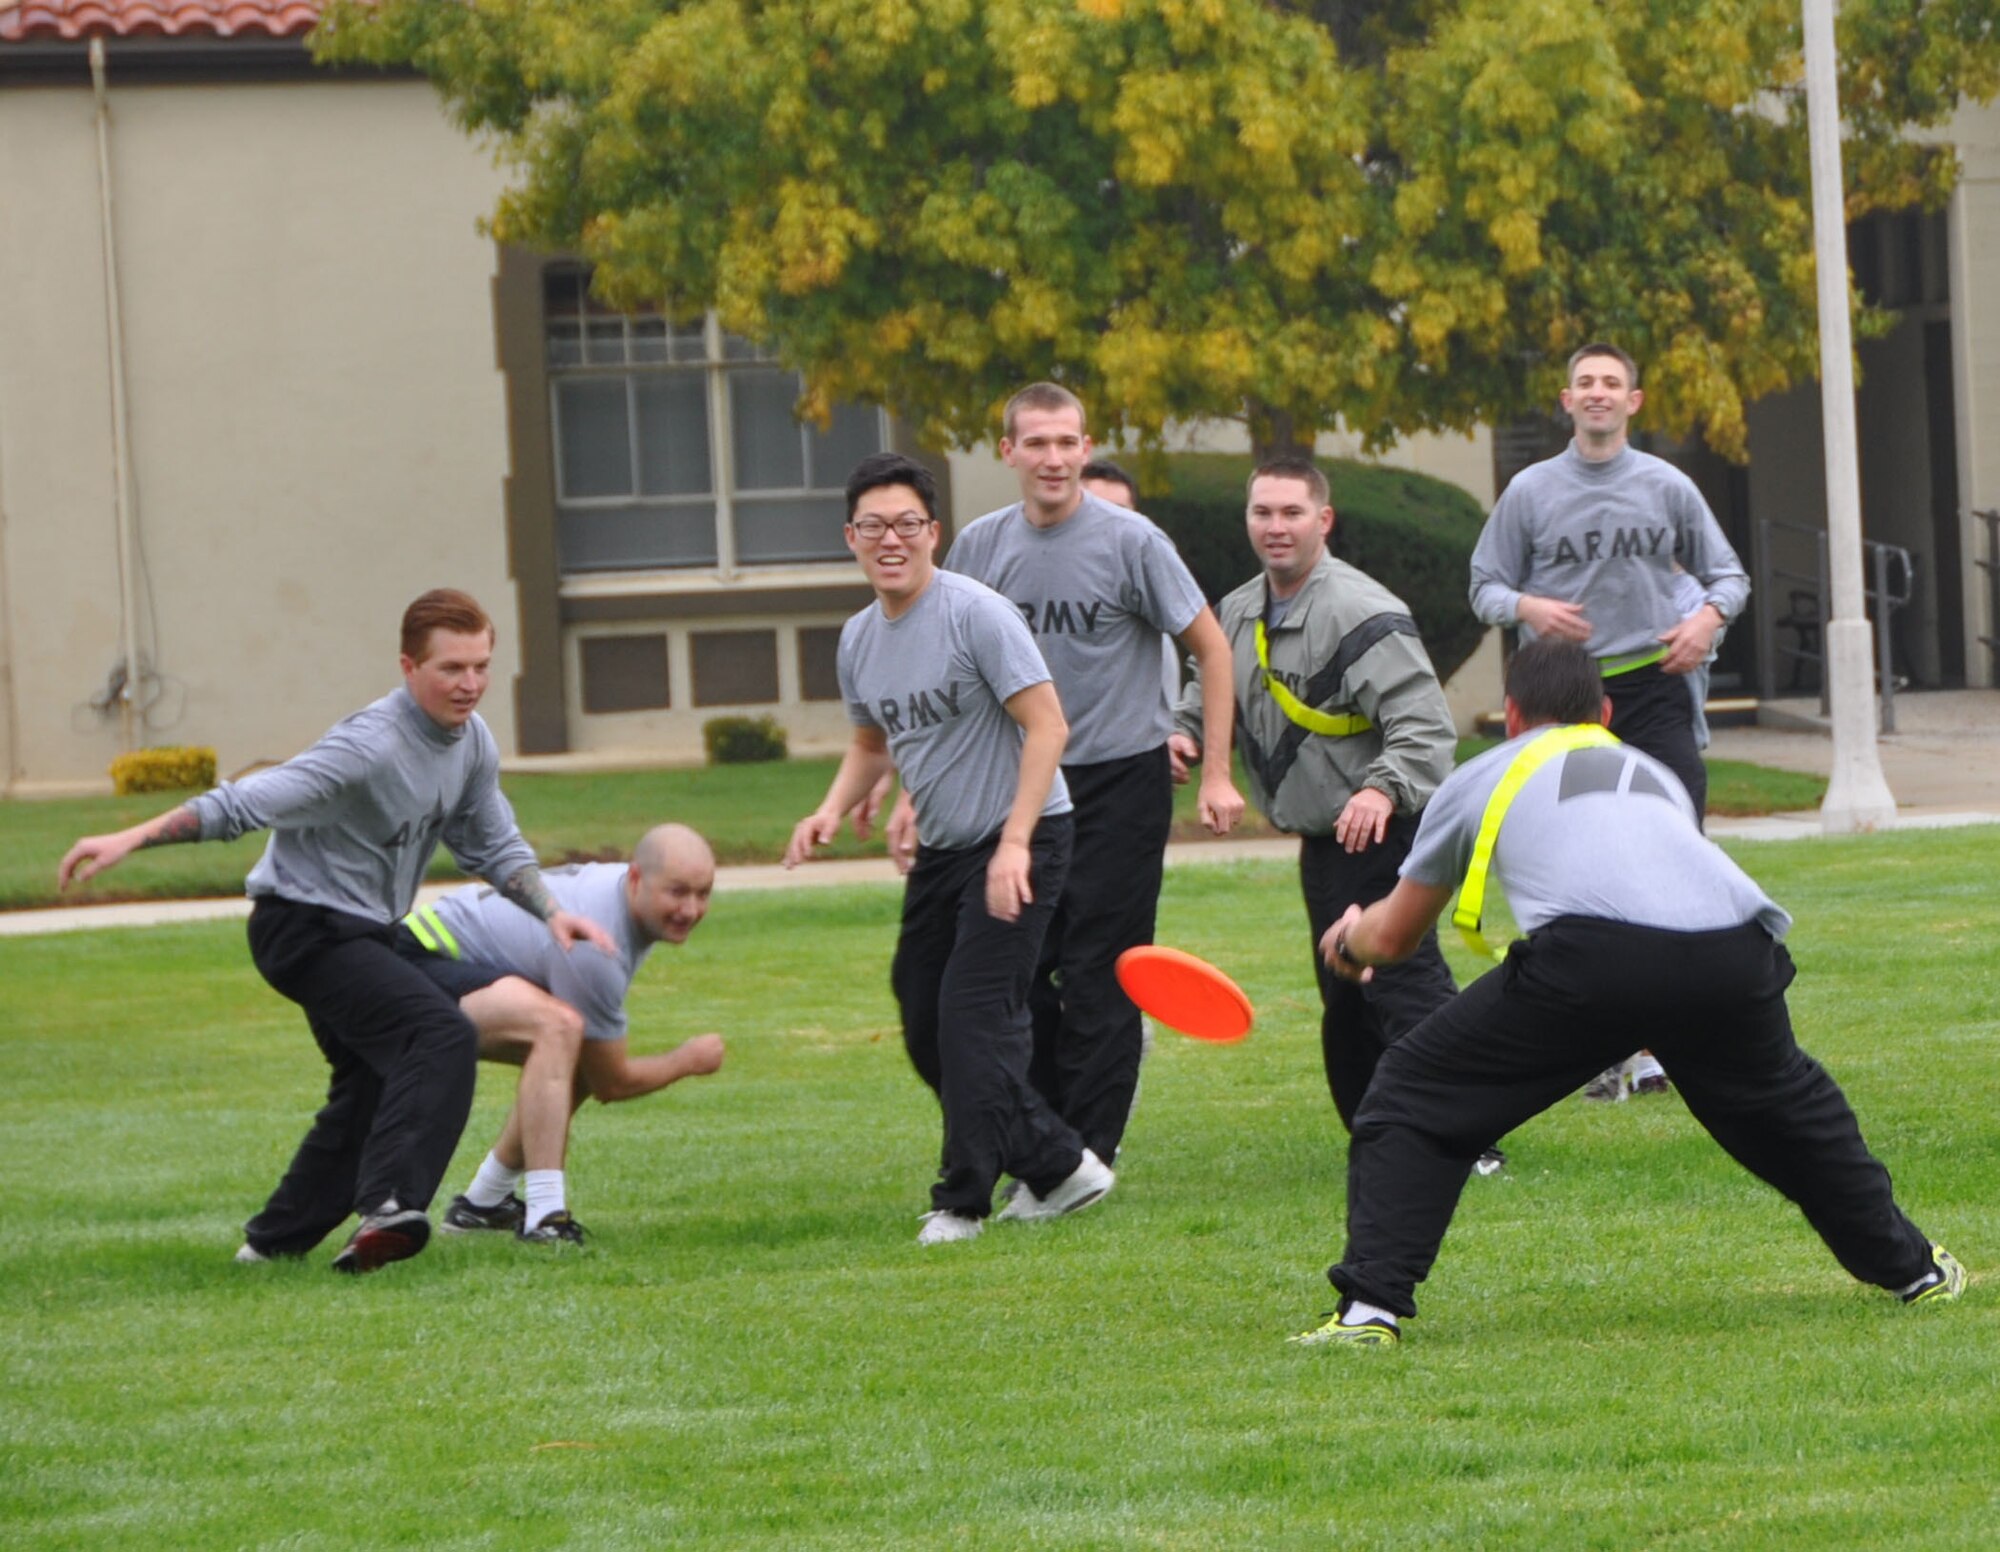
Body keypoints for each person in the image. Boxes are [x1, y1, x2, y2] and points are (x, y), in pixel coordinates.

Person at [1292, 640, 1966, 1346]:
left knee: (1411, 1091)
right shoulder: (1653, 772)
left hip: (1593, 961)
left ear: (1512, 715)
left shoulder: (1483, 773)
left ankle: (1369, 1310)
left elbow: (1393, 938)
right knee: (1790, 1119)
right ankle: (1914, 1270)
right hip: (1735, 951)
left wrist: (1348, 940)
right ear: (1605, 713)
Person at [57, 590, 614, 1274]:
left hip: (372, 933)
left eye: (481, 666)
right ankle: (388, 1207)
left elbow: (493, 842)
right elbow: (244, 803)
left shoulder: (471, 744)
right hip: (303, 928)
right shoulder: (368, 746)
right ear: (409, 667)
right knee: (436, 1032)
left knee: (373, 1078)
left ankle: (272, 1244)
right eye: (451, 669)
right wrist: (132, 837)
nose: (469, 684)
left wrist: (553, 911)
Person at [893, 383, 1246, 1171]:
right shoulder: (980, 548)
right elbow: (948, 677)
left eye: (1067, 442)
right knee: (1016, 972)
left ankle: (1089, 1152)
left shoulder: (1133, 542)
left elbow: (1212, 648)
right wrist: (914, 792)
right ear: (1007, 451)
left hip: (1120, 780)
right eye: (1037, 443)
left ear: (1085, 449)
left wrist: (1216, 773)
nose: (1053, 458)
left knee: (1101, 970)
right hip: (1016, 788)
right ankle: (1048, 1133)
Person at [786, 451, 1110, 1245]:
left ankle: (963, 1199)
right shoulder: (860, 638)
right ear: (851, 537)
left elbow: (1048, 727)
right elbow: (872, 741)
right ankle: (1060, 1165)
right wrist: (830, 808)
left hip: (1023, 838)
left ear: (933, 532)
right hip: (943, 851)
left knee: (974, 1018)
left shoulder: (977, 614)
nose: (889, 539)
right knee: (924, 1016)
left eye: (906, 524)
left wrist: (1015, 845)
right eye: (873, 526)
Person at [1168, 458, 1471, 1144]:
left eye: (1292, 513)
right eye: (1262, 513)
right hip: (1323, 840)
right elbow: (1206, 688)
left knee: (1401, 982)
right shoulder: (1239, 610)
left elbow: (1425, 729)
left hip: (1382, 833)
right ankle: (1379, 1129)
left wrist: (1379, 788)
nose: (1276, 527)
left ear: (1323, 520)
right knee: (1345, 993)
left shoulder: (1362, 611)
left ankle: (1466, 1133)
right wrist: (1184, 735)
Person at [396, 824, 727, 1245]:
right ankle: (545, 1218)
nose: (691, 909)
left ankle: (482, 1205)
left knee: (575, 1042)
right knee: (560, 1029)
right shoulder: (596, 945)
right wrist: (688, 1060)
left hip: (435, 959)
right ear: (637, 879)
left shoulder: (618, 900)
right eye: (678, 892)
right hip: (413, 965)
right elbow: (612, 1082)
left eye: (703, 894)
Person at [1468, 342, 1748, 822]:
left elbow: (1730, 576)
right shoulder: (1529, 490)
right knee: (1571, 830)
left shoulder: (1668, 485)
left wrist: (1708, 620)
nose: (1598, 393)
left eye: (1611, 383)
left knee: (1677, 819)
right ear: (1567, 400)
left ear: (1632, 401)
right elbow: (1483, 588)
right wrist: (1527, 608)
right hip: (1561, 687)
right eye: (1586, 383)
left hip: (1655, 684)